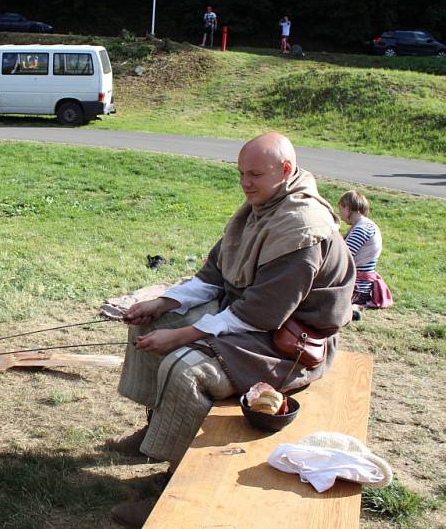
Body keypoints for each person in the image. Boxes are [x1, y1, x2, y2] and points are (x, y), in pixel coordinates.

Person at [106, 132, 355, 527]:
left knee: (185, 367)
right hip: (252, 322)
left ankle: (174, 489)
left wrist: (185, 336)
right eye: (241, 173)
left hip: (288, 345)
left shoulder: (302, 227)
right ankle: (155, 429)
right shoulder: (261, 208)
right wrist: (162, 304)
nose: (245, 183)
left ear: (286, 170)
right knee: (150, 325)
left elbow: (260, 313)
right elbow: (213, 277)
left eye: (255, 174)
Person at [338, 190, 383, 319]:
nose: (341, 216)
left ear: (348, 208)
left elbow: (344, 257)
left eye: (341, 209)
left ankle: (353, 307)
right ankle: (355, 306)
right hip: (363, 286)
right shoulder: (367, 225)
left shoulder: (361, 229)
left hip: (357, 286)